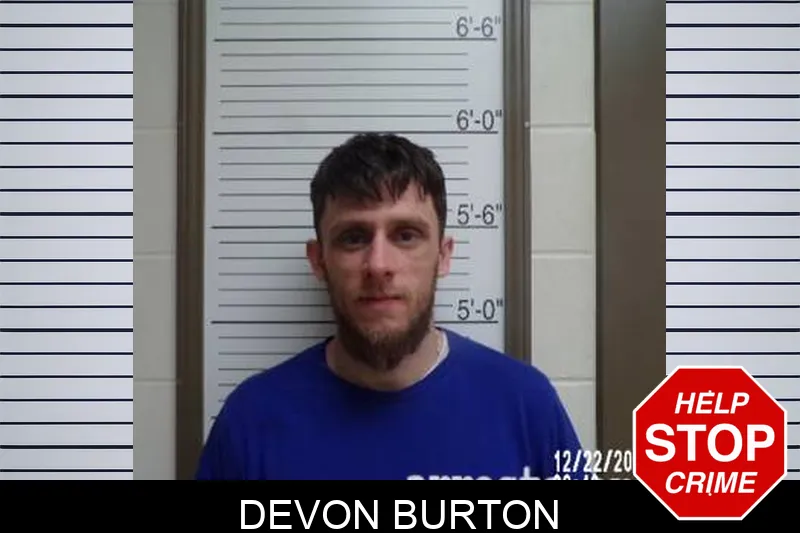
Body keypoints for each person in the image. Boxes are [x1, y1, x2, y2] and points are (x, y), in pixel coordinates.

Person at [195, 132, 585, 480]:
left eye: (406, 235)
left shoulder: (526, 406)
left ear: (443, 256)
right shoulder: (250, 422)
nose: (379, 265)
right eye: (353, 238)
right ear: (319, 261)